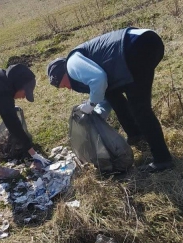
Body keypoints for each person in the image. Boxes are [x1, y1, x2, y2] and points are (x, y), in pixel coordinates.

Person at [46, 28, 174, 173]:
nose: (67, 88)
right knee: (115, 97)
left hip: (136, 46)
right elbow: (106, 96)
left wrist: (91, 104)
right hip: (143, 42)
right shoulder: (84, 62)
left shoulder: (72, 64)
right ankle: (136, 135)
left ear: (62, 74)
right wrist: (96, 114)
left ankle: (162, 159)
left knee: (140, 109)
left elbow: (98, 79)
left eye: (63, 85)